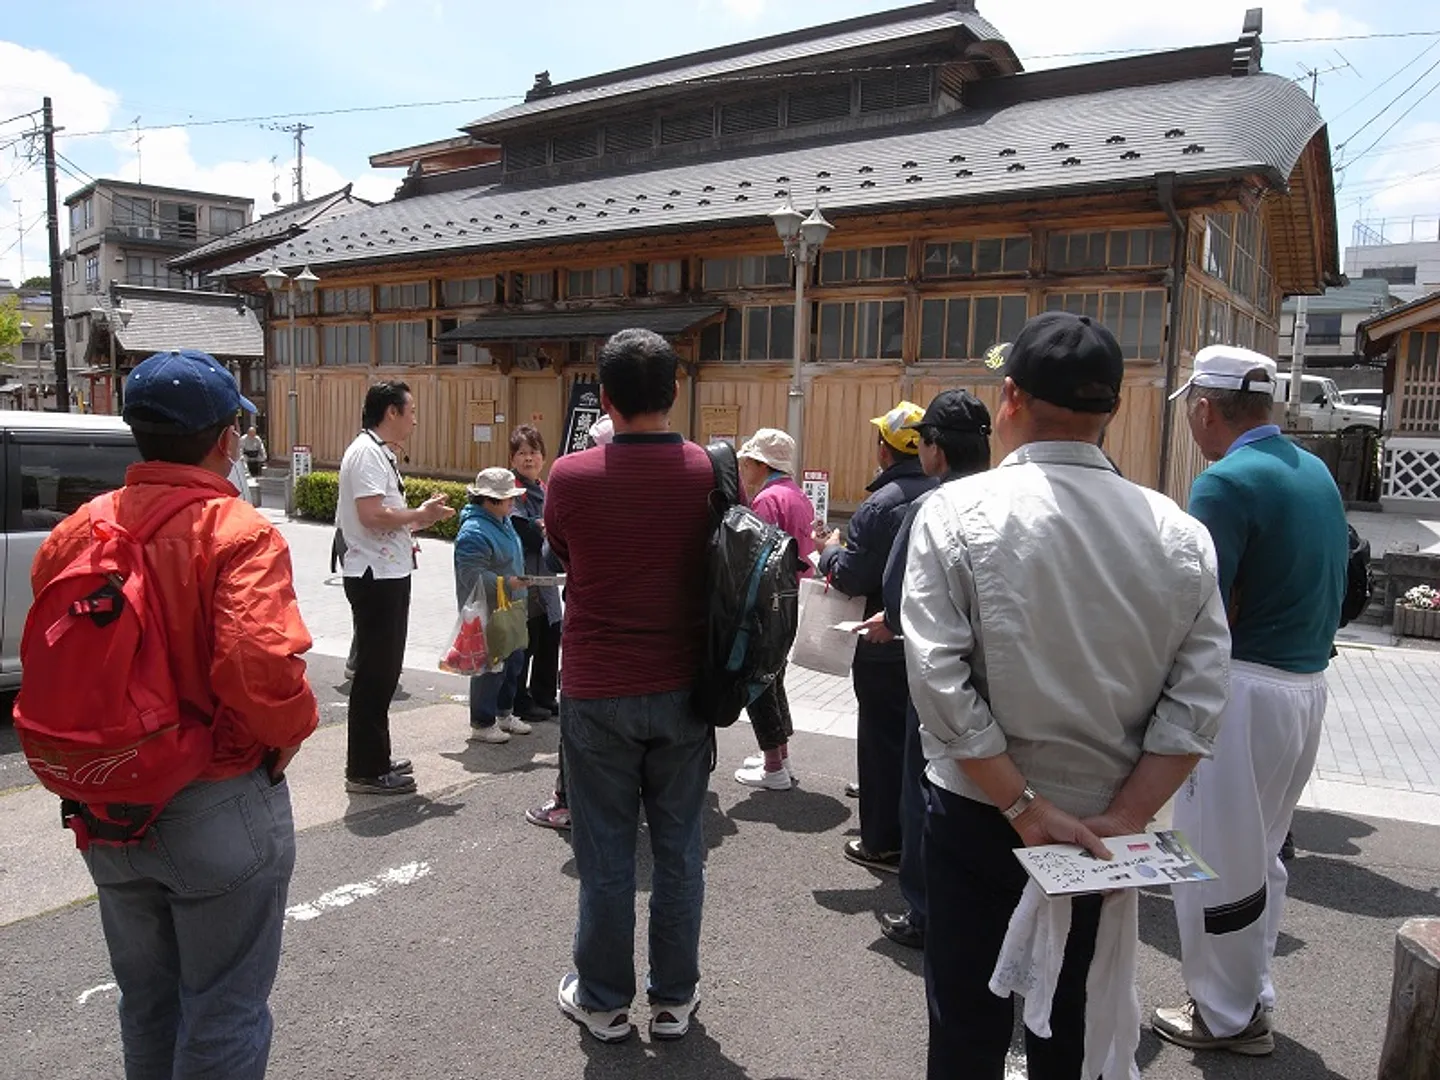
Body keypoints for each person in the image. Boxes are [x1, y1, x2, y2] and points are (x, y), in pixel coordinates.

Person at [902, 312, 1232, 1080]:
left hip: (983, 809)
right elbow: (1201, 697)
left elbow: (938, 682)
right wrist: (1125, 816)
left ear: (1010, 395)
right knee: (1074, 1024)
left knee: (966, 1016)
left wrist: (1023, 805)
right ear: (1112, 409)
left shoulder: (954, 511)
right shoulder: (1179, 532)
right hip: (1102, 825)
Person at [30, 349, 319, 1080]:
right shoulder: (237, 530)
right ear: (228, 438)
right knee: (223, 1009)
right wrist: (288, 737)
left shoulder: (75, 531)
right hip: (216, 796)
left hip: (105, 796)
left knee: (147, 1004)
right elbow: (260, 668)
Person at [1153, 345, 1348, 1056]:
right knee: (1260, 855)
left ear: (1205, 408)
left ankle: (1225, 1015)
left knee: (1209, 860)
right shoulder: (1315, 472)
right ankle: (1249, 992)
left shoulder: (1225, 483)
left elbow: (1197, 609)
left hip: (1242, 687)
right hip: (1304, 687)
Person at [545, 328, 714, 1043]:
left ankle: (605, 1000)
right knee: (679, 850)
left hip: (596, 687)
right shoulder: (707, 470)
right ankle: (673, 999)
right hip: (684, 687)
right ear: (675, 390)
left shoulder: (569, 476)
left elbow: (561, 548)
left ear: (604, 400)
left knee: (606, 853)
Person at [864, 388, 992, 950]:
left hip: (939, 675)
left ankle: (923, 911)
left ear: (933, 448)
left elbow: (898, 599)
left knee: (929, 789)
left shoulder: (927, 510)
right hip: (1007, 677)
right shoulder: (1011, 497)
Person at [817, 399, 935, 871]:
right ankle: (918, 838)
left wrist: (828, 552)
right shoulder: (944, 492)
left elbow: (852, 576)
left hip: (881, 640)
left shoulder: (881, 503)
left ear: (885, 449)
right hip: (932, 644)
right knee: (920, 747)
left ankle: (883, 841)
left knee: (882, 743)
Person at [338, 381, 454, 795]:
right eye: (411, 410)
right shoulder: (367, 452)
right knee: (375, 672)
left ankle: (375, 757)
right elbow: (371, 514)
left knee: (384, 670)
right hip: (375, 575)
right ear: (391, 412)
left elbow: (386, 515)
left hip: (386, 572)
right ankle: (365, 770)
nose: (415, 419)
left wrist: (423, 518)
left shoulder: (376, 451)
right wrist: (416, 514)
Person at [527, 416, 614, 832]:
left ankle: (567, 802)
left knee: (580, 727)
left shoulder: (573, 478)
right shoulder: (681, 473)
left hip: (593, 638)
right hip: (658, 649)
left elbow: (552, 555)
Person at [731, 428, 816, 790]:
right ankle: (780, 757)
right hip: (791, 601)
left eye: (746, 463)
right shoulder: (797, 496)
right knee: (775, 678)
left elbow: (754, 561)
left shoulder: (767, 501)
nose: (743, 470)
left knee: (758, 680)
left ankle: (773, 769)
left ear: (759, 463)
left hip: (766, 606)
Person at [455, 466, 534, 743]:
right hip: (487, 609)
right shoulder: (475, 531)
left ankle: (503, 713)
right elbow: (471, 575)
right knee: (490, 666)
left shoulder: (502, 520)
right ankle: (482, 721)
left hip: (509, 607)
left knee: (512, 661)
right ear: (489, 500)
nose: (512, 502)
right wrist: (507, 583)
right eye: (507, 498)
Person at [509, 425, 562, 723]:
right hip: (524, 579)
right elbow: (523, 531)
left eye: (534, 452)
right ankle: (519, 699)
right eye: (522, 453)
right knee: (525, 641)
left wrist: (543, 527)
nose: (529, 458)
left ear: (543, 457)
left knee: (550, 635)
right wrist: (543, 527)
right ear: (513, 458)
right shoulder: (512, 491)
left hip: (548, 580)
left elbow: (555, 528)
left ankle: (543, 694)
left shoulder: (545, 489)